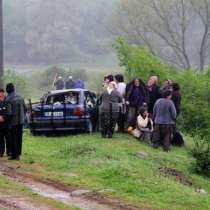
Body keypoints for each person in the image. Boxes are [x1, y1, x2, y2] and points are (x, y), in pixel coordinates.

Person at [6, 83, 26, 160]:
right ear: (14, 89)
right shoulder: (20, 97)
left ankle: (15, 155)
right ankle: (18, 154)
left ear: (7, 90)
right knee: (19, 137)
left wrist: (6, 120)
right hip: (20, 121)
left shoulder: (8, 99)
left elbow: (9, 113)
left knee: (13, 138)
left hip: (12, 122)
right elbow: (25, 109)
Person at [0, 89, 12, 157]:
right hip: (0, 124)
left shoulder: (7, 101)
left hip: (7, 123)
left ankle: (9, 152)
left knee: (8, 138)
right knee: (0, 139)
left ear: (3, 93)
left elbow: (9, 112)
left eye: (1, 93)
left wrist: (3, 118)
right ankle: (1, 152)